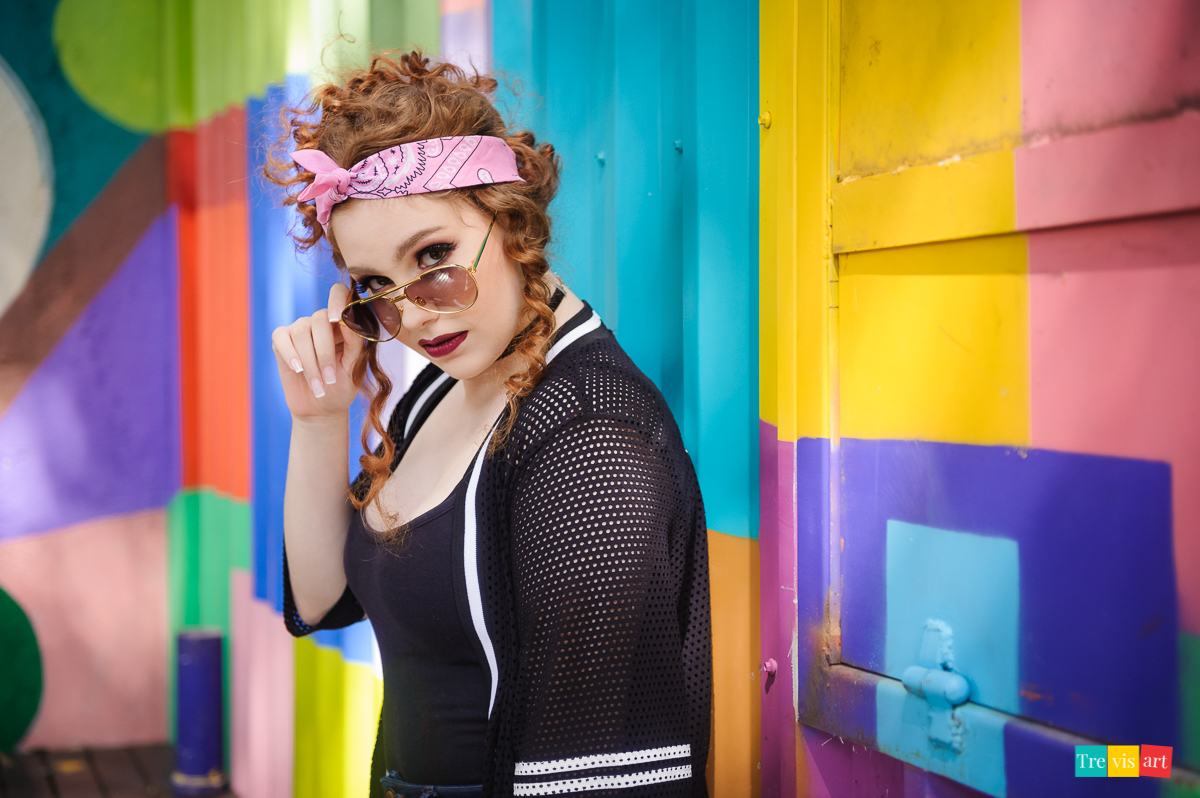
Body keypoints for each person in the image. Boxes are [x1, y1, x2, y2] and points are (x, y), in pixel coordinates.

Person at [266, 52, 711, 798]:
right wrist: (317, 419)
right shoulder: (443, 391)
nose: (411, 317)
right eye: (376, 287)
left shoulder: (586, 437)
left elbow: (593, 777)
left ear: (511, 219)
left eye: (435, 257)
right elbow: (319, 599)